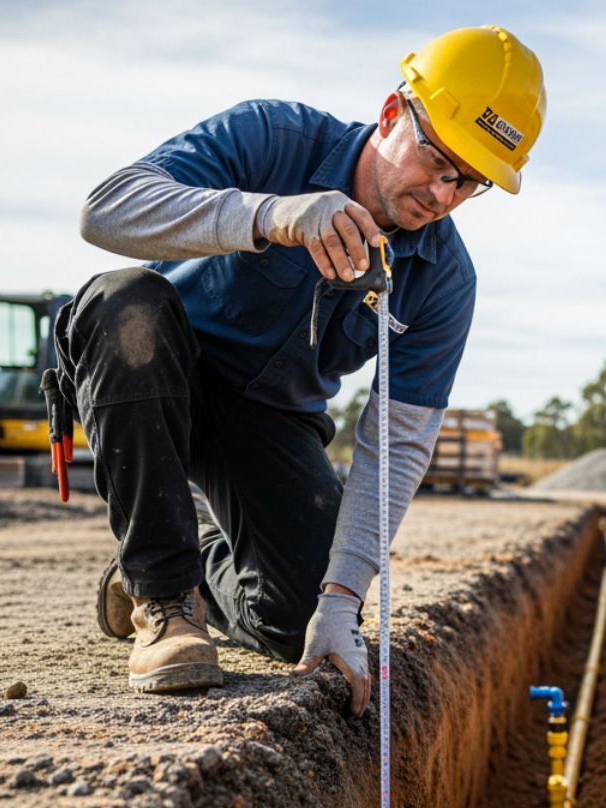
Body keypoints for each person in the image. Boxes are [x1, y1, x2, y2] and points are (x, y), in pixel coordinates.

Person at [57, 26, 545, 714]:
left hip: (268, 420)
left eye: (470, 182)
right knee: (123, 301)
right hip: (156, 379)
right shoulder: (274, 137)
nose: (442, 192)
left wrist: (343, 600)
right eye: (438, 158)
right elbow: (105, 210)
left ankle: (163, 563)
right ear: (390, 114)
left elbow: (396, 444)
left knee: (300, 617)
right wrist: (270, 216)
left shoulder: (442, 278)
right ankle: (164, 598)